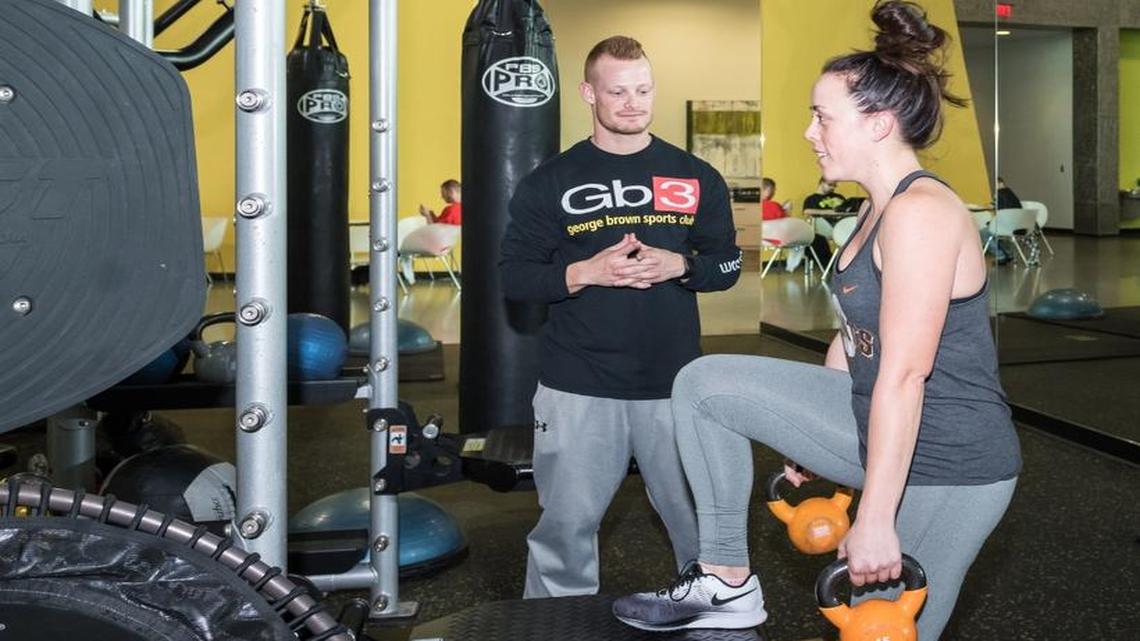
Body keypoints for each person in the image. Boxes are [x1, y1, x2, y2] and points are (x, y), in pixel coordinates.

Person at [613, 3, 1021, 639]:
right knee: (704, 386)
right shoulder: (873, 210)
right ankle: (725, 581)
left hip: (951, 462)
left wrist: (876, 516)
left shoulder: (921, 214)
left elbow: (905, 375)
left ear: (879, 124)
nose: (809, 132)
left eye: (822, 117)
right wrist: (807, 442)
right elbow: (855, 339)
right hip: (876, 428)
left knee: (879, 629)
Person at [499, 35, 742, 599]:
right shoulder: (550, 182)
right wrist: (587, 272)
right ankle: (556, 624)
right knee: (565, 529)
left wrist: (680, 264)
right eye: (617, 92)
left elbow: (727, 264)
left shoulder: (696, 175)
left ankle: (714, 614)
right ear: (589, 93)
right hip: (578, 385)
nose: (633, 103)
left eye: (643, 90)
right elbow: (515, 277)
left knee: (703, 529)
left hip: (675, 384)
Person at [802, 177, 848, 266]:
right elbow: (807, 211)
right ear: (821, 183)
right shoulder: (812, 199)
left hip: (842, 224)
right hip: (825, 226)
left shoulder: (839, 197)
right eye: (830, 185)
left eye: (834, 186)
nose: (832, 188)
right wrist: (829, 212)